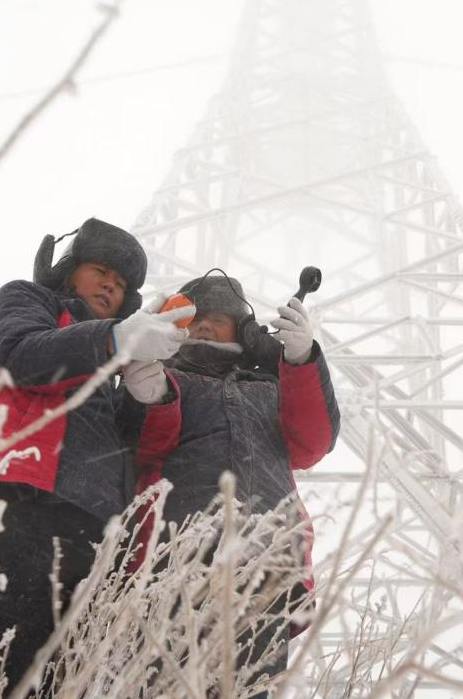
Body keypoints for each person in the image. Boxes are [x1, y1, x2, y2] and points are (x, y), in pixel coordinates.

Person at [0, 218, 192, 699]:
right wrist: (115, 340)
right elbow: (24, 355)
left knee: (44, 680)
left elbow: (131, 450)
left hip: (92, 530)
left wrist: (148, 394)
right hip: (17, 497)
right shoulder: (25, 300)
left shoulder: (107, 361)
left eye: (122, 283)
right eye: (100, 270)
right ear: (70, 271)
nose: (111, 284)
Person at [121, 273, 340, 694]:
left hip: (267, 563)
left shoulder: (270, 387)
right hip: (176, 559)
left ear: (241, 330)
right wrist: (151, 397)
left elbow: (313, 443)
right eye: (195, 316)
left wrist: (303, 360)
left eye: (217, 318)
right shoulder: (160, 377)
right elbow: (140, 448)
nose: (203, 324)